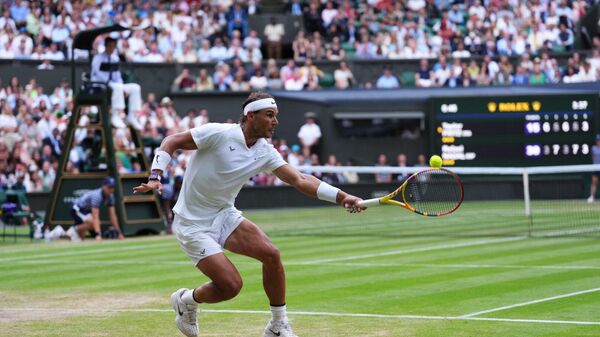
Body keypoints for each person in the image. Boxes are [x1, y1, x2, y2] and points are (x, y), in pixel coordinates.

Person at [133, 92, 365, 337]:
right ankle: (186, 301)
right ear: (250, 116)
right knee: (231, 287)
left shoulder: (265, 151)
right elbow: (172, 140)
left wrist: (341, 197)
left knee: (272, 255)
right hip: (192, 224)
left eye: (276, 116)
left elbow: (299, 179)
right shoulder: (219, 133)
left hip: (224, 214)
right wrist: (155, 176)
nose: (275, 121)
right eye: (269, 115)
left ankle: (278, 326)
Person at [91, 36, 143, 130]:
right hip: (99, 86)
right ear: (106, 46)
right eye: (110, 46)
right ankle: (115, 116)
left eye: (113, 46)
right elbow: (99, 75)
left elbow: (117, 76)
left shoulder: (115, 58)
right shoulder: (98, 58)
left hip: (114, 86)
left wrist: (122, 86)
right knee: (117, 87)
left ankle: (132, 116)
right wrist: (116, 85)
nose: (111, 48)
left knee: (135, 88)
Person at [67, 176, 125, 241]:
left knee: (81, 238)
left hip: (85, 210)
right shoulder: (97, 196)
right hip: (76, 207)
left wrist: (119, 233)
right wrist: (98, 235)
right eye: (109, 187)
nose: (111, 190)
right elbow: (95, 216)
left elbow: (113, 216)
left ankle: (60, 232)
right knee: (92, 223)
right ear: (104, 186)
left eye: (112, 187)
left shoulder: (111, 196)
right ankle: (73, 230)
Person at [587, 134, 600, 203]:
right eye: (598, 140)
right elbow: (593, 157)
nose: (599, 141)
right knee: (594, 183)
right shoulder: (594, 148)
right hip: (596, 168)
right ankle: (592, 197)